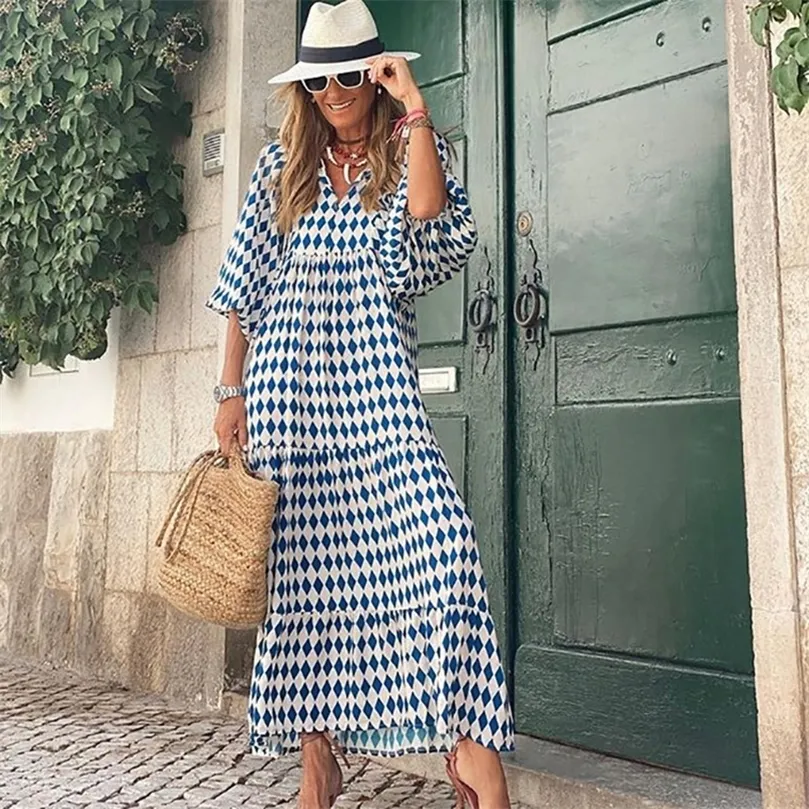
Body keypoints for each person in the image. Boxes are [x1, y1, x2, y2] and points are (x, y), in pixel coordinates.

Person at [205, 1, 515, 807]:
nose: (335, 92)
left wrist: (411, 103)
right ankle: (318, 768)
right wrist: (229, 391)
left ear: (374, 75)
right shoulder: (280, 169)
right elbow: (242, 289)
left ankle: (473, 751)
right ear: (304, 89)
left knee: (445, 557)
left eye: (351, 74)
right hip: (289, 402)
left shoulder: (413, 152)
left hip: (378, 404)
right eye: (320, 80)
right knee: (305, 593)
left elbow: (427, 221)